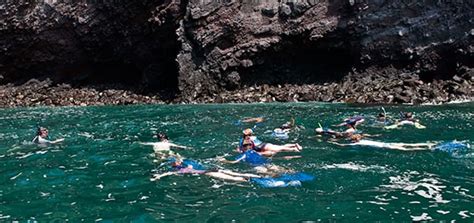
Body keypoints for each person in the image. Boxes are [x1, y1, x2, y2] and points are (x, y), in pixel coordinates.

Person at [151, 156, 262, 182]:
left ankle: (253, 179)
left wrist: (157, 176)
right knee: (234, 173)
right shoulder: (187, 165)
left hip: (208, 172)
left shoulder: (180, 170)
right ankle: (257, 176)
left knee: (233, 178)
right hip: (211, 169)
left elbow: (168, 173)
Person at [330, 134, 437, 151]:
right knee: (407, 144)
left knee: (405, 149)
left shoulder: (357, 144)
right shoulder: (362, 140)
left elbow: (343, 145)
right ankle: (428, 144)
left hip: (386, 146)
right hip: (387, 143)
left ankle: (426, 148)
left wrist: (334, 143)